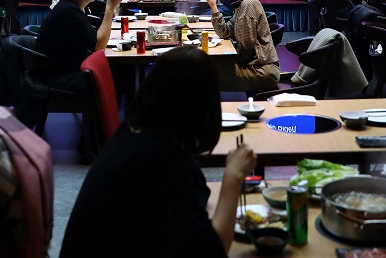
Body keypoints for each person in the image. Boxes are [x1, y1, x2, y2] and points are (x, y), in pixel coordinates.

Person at [60, 46, 256, 258]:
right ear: (201, 109)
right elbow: (213, 251)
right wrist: (233, 176)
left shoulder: (131, 133)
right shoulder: (163, 160)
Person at [34, 0, 122, 94]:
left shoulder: (72, 6)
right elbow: (99, 46)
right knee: (119, 75)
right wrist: (110, 8)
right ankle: (109, 114)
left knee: (121, 70)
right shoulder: (69, 12)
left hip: (64, 69)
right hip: (56, 77)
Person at [204, 0, 279, 93]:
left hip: (261, 71)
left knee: (206, 72)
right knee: (207, 69)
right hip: (255, 67)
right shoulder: (243, 4)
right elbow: (224, 31)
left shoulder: (249, 4)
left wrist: (227, 60)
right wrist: (213, 7)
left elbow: (246, 47)